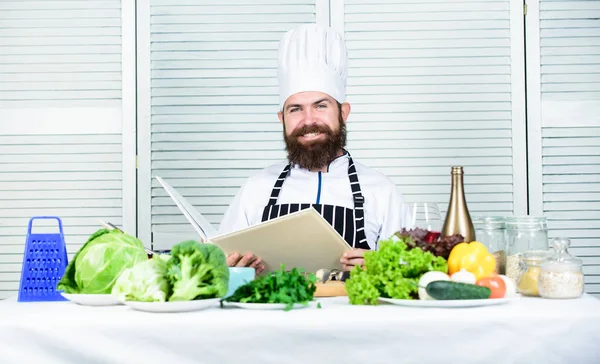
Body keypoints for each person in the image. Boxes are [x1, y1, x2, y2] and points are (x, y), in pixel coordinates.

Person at [219, 23, 412, 274]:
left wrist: (383, 267)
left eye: (320, 106)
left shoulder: (382, 191)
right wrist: (235, 269)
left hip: (354, 313)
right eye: (296, 109)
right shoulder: (256, 189)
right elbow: (221, 268)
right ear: (282, 119)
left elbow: (410, 276)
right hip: (272, 314)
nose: (308, 120)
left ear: (343, 113)